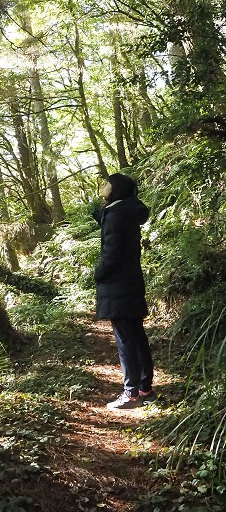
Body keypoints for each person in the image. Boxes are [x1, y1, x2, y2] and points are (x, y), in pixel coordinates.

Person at [93, 173, 156, 410]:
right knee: (136, 336)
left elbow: (111, 254)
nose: (103, 186)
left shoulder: (115, 216)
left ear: (116, 188)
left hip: (117, 285)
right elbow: (105, 220)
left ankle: (131, 394)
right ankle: (145, 389)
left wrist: (98, 273)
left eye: (107, 182)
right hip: (130, 282)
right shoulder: (126, 212)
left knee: (125, 340)